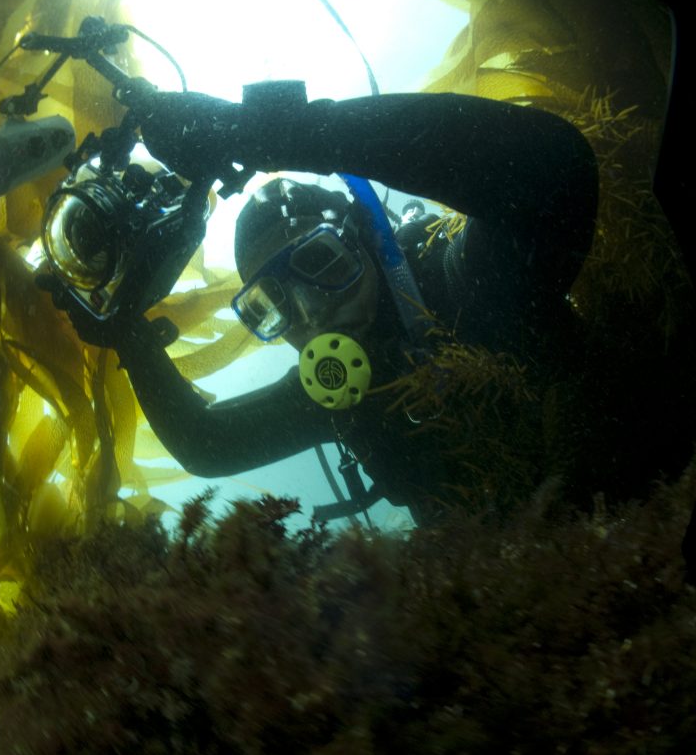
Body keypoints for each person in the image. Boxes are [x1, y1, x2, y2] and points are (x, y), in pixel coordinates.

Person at [46, 83, 599, 523]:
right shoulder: (340, 394)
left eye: (321, 262)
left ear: (367, 240)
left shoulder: (458, 281)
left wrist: (271, 133)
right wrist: (129, 336)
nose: (310, 314)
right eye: (272, 304)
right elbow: (209, 444)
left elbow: (556, 166)